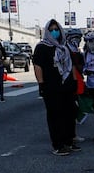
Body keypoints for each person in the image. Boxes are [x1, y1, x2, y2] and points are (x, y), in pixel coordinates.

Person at [33, 19, 79, 156]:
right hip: (51, 87)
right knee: (55, 116)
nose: (54, 32)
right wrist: (41, 84)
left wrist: (75, 81)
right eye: (51, 30)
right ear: (47, 32)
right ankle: (58, 145)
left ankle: (69, 141)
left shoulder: (64, 47)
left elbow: (72, 65)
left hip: (67, 85)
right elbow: (38, 66)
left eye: (56, 29)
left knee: (69, 114)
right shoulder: (42, 47)